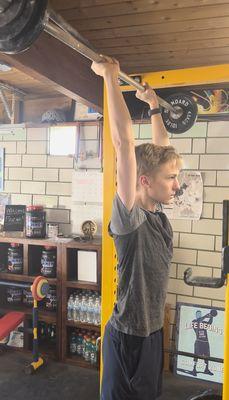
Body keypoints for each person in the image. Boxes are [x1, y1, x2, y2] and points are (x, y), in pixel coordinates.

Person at [91, 57, 182, 400]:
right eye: (171, 179)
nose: (176, 185)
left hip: (152, 333)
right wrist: (110, 80)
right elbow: (124, 146)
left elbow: (162, 153)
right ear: (144, 181)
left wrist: (154, 106)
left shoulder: (157, 210)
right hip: (127, 337)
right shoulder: (130, 219)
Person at [191, 310, 216, 377]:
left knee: (207, 356)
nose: (199, 315)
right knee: (196, 356)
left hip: (205, 342)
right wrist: (205, 316)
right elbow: (199, 321)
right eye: (198, 314)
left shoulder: (204, 322)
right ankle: (194, 369)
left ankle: (206, 369)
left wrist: (211, 316)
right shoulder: (194, 322)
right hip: (198, 342)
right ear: (196, 315)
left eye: (200, 314)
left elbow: (210, 323)